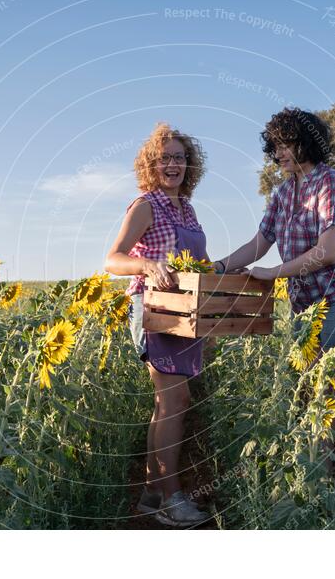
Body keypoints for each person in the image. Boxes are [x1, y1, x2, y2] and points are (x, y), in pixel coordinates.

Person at [213, 107, 335, 528]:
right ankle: (323, 484)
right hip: (307, 303)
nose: (278, 154)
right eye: (274, 147)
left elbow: (328, 252)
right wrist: (216, 269)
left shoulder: (332, 184)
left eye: (285, 145)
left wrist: (273, 273)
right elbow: (259, 243)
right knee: (315, 394)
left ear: (306, 143)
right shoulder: (284, 193)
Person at [104, 123, 211, 527]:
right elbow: (112, 259)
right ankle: (172, 499)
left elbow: (195, 261)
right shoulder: (145, 205)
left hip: (186, 311)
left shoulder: (187, 208)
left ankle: (152, 493)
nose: (174, 164)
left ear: (189, 165)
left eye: (180, 157)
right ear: (152, 164)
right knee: (175, 402)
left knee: (166, 404)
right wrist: (146, 264)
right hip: (154, 308)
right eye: (165, 157)